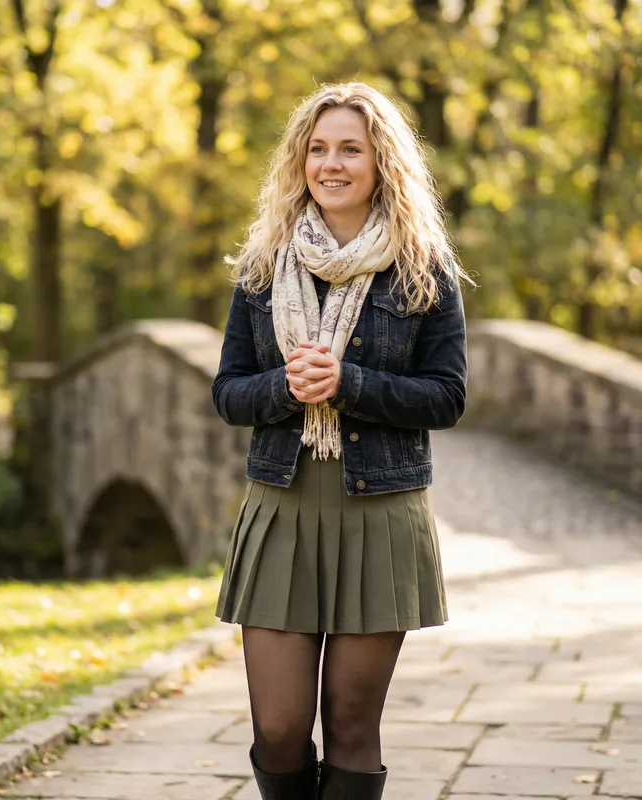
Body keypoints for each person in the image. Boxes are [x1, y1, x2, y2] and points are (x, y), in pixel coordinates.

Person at [211, 82, 470, 800]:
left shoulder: (424, 271)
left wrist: (348, 383)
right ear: (300, 162)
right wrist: (284, 389)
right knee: (280, 729)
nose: (332, 163)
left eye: (350, 149)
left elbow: (447, 397)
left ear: (381, 161)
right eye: (318, 149)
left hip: (380, 516)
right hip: (281, 511)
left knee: (353, 728)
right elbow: (228, 391)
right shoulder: (261, 270)